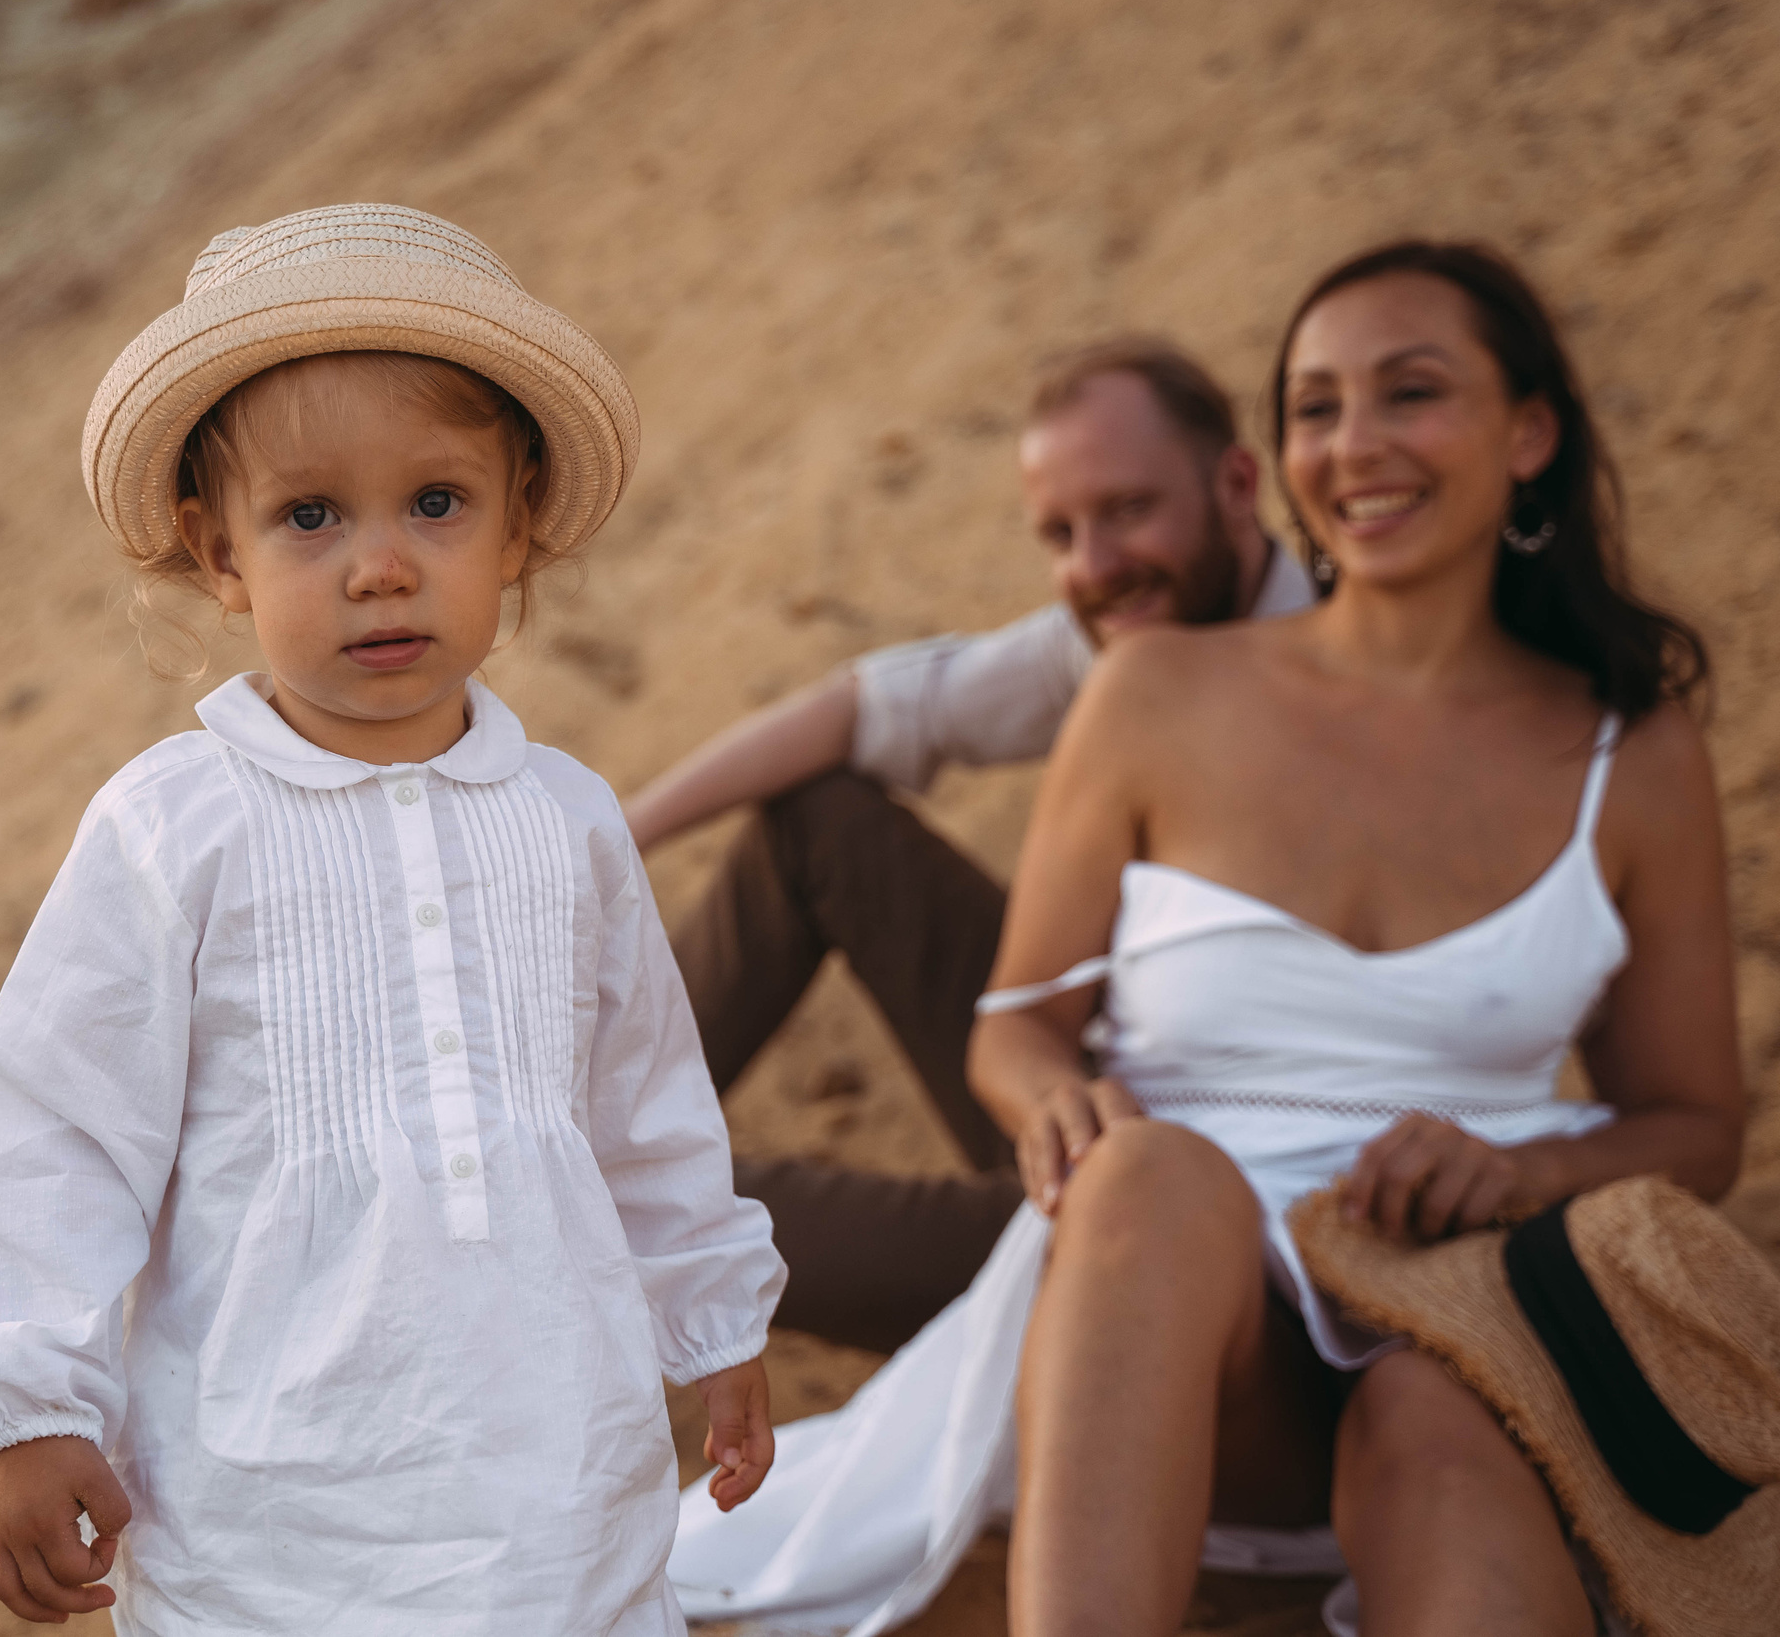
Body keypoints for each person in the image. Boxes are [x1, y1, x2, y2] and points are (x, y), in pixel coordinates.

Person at [663, 240, 1742, 1637]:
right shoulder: (1154, 686)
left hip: (1459, 1301)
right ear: (1276, 449)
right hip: (1181, 1309)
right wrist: (1055, 1099)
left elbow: (1696, 1121)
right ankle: (575, 1161)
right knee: (1152, 1173)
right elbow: (1017, 1014)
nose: (1355, 444)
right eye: (1315, 406)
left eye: (1409, 393)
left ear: (1529, 431)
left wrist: (1523, 1159)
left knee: (1441, 1393)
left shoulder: (1631, 752)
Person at [0, 205, 785, 1635]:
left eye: (435, 503)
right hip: (273, 1501)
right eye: (309, 515)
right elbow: (62, 1127)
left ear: (518, 528)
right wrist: (30, 1401)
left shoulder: (566, 819)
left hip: (555, 1476)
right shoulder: (170, 825)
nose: (377, 564)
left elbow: (645, 1106)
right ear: (219, 554)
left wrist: (715, 1320)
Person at [623, 339, 1314, 1351]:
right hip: (1066, 1097)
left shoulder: (1350, 691)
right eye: (1061, 532)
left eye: (1128, 511)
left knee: (614, 1206)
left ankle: (524, 1197)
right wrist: (616, 830)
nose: (1095, 567)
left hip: (1171, 1221)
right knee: (818, 817)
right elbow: (867, 706)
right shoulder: (1120, 633)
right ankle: (565, 1118)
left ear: (1238, 485)